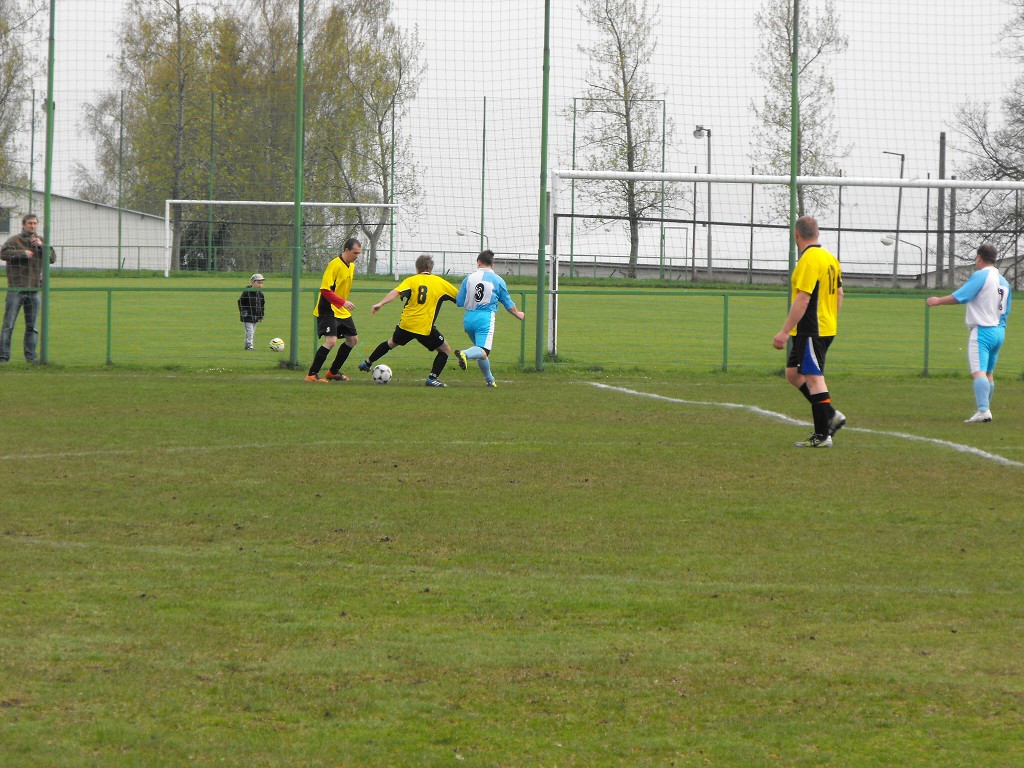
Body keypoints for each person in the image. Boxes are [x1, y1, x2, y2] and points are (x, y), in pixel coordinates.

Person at [772, 215, 846, 448]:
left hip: (812, 329)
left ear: (796, 235)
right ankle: (830, 414)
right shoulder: (830, 258)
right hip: (821, 327)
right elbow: (840, 294)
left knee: (814, 379)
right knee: (794, 374)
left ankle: (823, 435)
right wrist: (831, 318)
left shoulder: (809, 260)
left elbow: (803, 298)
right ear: (817, 233)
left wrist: (784, 331)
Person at [926, 243, 1012, 423]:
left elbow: (961, 296)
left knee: (978, 372)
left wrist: (938, 301)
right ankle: (985, 410)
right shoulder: (1004, 281)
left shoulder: (981, 275)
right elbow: (1005, 310)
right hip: (999, 331)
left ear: (979, 258)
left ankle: (983, 410)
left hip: (982, 331)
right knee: (988, 372)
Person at [356, 254, 463, 387]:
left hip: (406, 324)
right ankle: (432, 378)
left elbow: (396, 292)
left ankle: (367, 362)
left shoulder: (411, 280)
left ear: (417, 267)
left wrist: (381, 303)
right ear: (430, 267)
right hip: (424, 328)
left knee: (391, 343)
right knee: (445, 349)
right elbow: (460, 299)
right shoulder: (440, 283)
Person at [455, 249, 526, 388]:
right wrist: (518, 314)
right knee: (483, 350)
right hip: (485, 318)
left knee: (481, 352)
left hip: (468, 318)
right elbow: (508, 303)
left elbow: (459, 301)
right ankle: (465, 354)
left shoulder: (468, 278)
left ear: (478, 262)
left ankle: (490, 380)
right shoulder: (498, 280)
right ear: (492, 264)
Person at [1, 213, 56, 363]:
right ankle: (3, 358)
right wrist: (22, 253)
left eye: (35, 223)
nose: (32, 226)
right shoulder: (14, 240)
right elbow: (3, 254)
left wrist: (41, 246)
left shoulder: (41, 241)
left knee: (32, 327)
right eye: (30, 223)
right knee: (8, 325)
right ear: (23, 224)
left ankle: (31, 358)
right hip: (16, 288)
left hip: (34, 289)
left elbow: (52, 258)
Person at [306, 238, 362, 383]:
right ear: (347, 250)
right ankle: (311, 375)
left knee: (353, 340)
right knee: (331, 341)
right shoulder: (334, 265)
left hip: (341, 310)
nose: (357, 256)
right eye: (355, 253)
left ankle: (333, 372)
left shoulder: (351, 266)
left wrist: (342, 304)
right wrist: (343, 302)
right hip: (328, 308)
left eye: (359, 253)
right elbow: (325, 290)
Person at [237, 274, 266, 351]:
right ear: (253, 282)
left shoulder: (260, 294)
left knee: (252, 332)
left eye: (261, 283)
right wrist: (243, 311)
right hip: (248, 316)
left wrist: (261, 315)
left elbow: (262, 305)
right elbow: (240, 301)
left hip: (256, 316)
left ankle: (247, 345)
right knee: (249, 331)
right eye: (258, 283)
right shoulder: (247, 292)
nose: (260, 284)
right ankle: (250, 345)